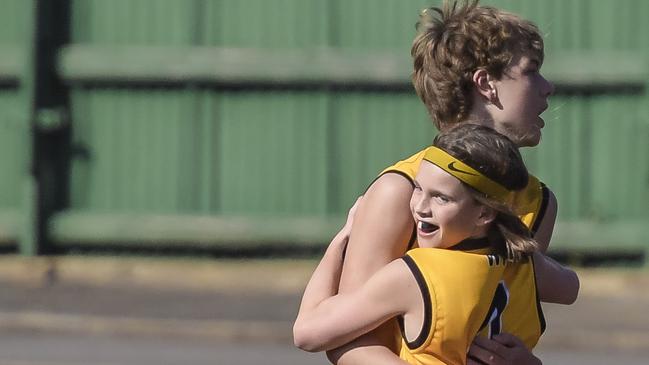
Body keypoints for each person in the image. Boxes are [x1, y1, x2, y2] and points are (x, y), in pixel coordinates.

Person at [325, 1, 579, 364]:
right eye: (531, 71)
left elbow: (503, 323)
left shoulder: (538, 203)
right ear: (485, 83)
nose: (547, 86)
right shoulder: (401, 191)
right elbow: (348, 341)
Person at [294, 124, 566, 365]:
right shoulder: (524, 261)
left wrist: (340, 242)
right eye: (418, 188)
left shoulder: (417, 273)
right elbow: (570, 287)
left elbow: (307, 333)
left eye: (441, 198)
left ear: (484, 213)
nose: (420, 207)